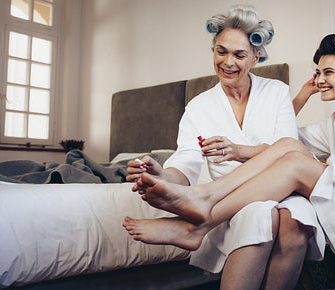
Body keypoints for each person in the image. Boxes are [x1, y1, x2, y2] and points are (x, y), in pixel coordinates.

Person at [123, 31, 335, 280]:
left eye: (328, 73)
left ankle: (202, 215)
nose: (319, 80)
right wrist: (302, 95)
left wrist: (324, 165)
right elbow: (283, 142)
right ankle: (204, 204)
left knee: (296, 161)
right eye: (317, 73)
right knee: (291, 152)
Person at [124, 5, 315, 290]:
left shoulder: (276, 92)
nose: (228, 62)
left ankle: (200, 217)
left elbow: (288, 152)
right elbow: (186, 162)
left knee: (295, 217)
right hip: (234, 202)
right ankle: (203, 212)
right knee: (259, 213)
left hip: (283, 191)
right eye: (221, 51)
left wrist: (239, 150)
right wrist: (161, 175)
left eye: (239, 55)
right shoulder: (198, 107)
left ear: (255, 57)